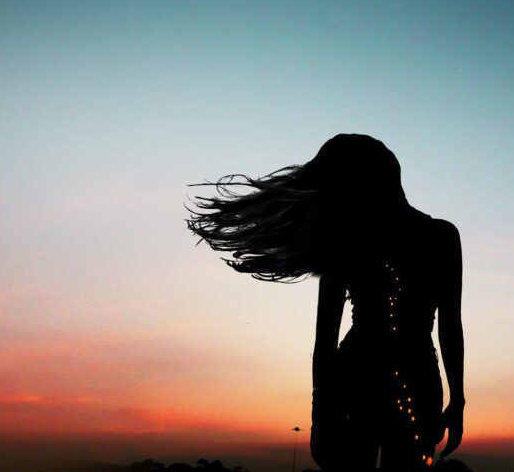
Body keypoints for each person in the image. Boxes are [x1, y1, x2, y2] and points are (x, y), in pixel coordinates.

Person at [186, 134, 464, 471]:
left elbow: (326, 339)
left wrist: (320, 414)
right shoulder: (437, 236)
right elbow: (449, 326)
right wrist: (457, 399)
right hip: (403, 379)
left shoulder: (352, 240)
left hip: (365, 378)